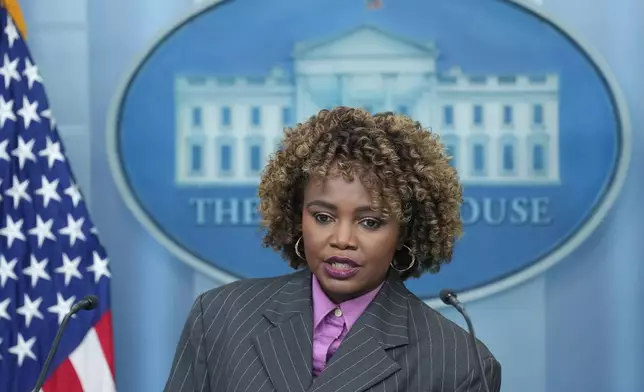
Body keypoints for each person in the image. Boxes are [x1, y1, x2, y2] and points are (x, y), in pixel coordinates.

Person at [163, 107, 502, 392]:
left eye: (370, 222)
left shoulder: (460, 363)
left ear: (404, 232)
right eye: (323, 217)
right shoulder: (221, 316)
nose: (342, 239)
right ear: (298, 217)